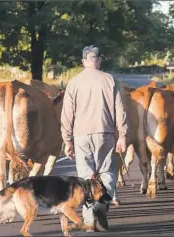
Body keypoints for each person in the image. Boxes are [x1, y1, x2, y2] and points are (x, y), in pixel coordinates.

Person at [61, 45, 128, 232]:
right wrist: (122, 135)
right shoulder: (109, 80)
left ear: (83, 61)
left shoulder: (73, 83)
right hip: (105, 132)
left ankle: (89, 221)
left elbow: (67, 114)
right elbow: (119, 110)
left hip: (80, 135)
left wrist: (67, 140)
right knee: (106, 172)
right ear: (99, 60)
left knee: (84, 177)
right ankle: (103, 203)